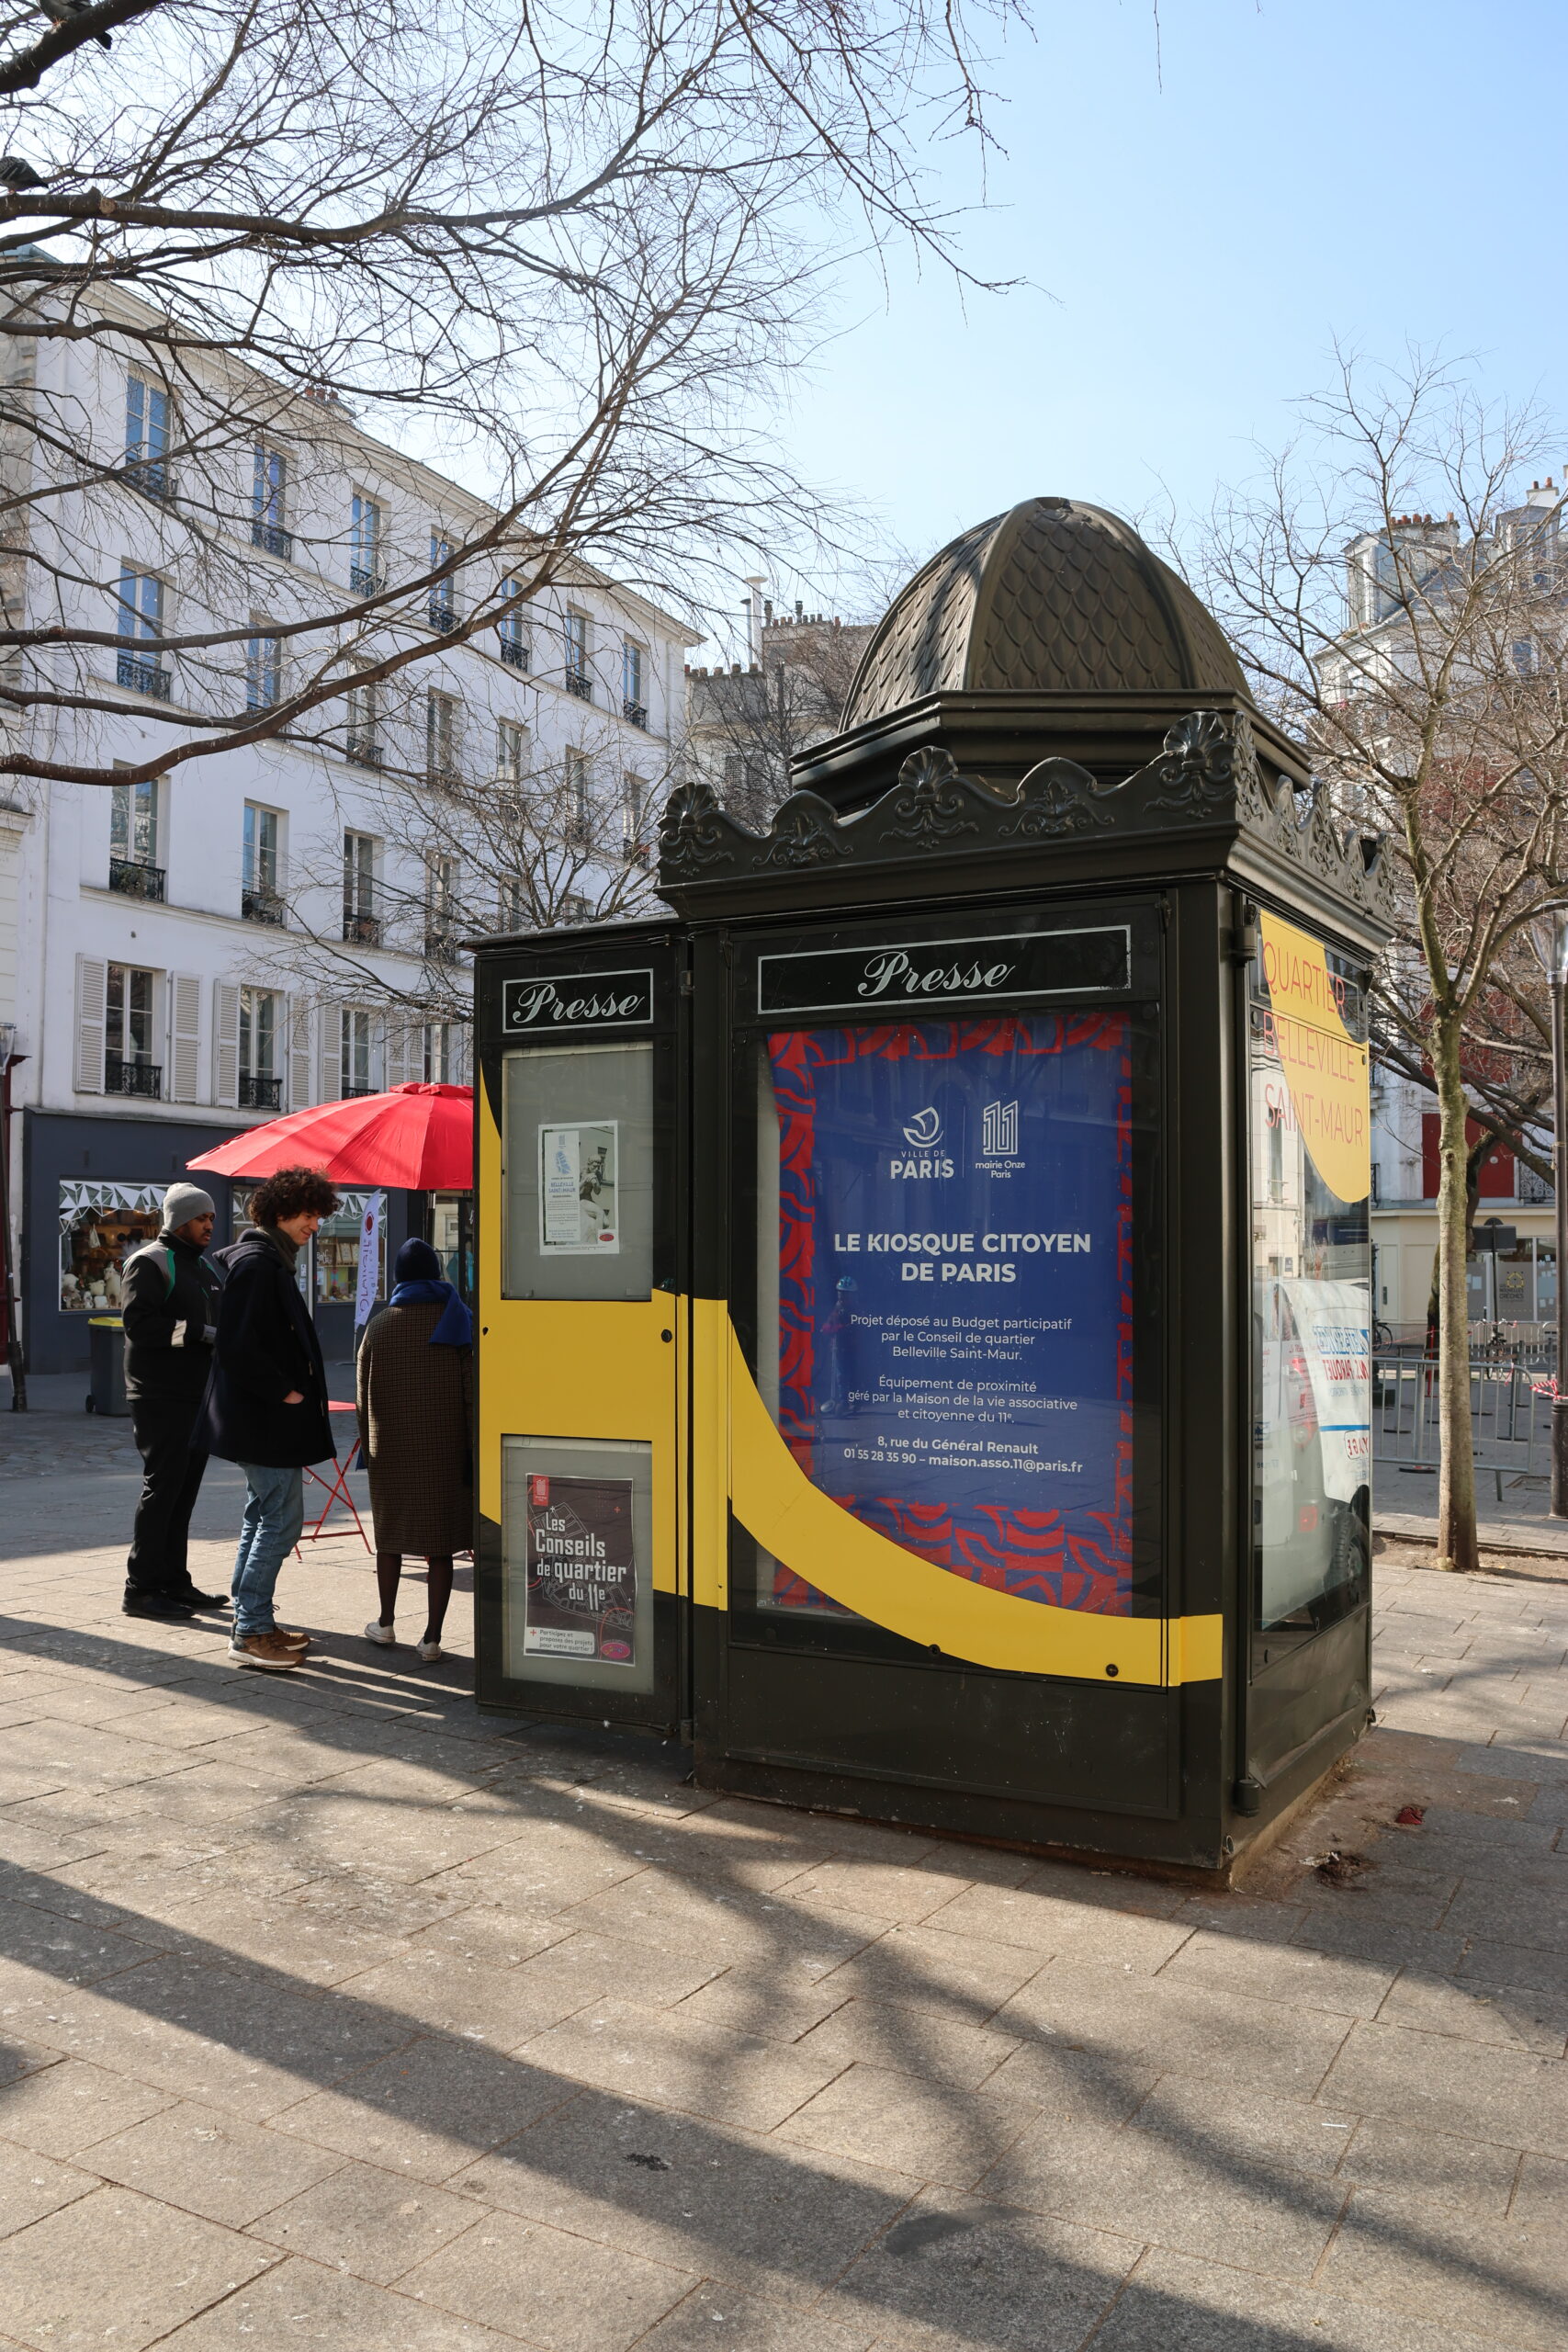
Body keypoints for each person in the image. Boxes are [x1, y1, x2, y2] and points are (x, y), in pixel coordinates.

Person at [201, 1165, 339, 1671]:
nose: (315, 1225)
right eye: (309, 1215)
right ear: (282, 1212)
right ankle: (251, 1631)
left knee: (264, 1516)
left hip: (261, 1420)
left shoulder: (268, 1260)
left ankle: (252, 1619)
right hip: (264, 1422)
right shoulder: (259, 1265)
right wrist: (285, 1393)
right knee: (280, 1522)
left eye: (318, 1216)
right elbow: (238, 1345)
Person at [357, 1236, 473, 1661]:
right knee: (439, 1546)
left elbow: (361, 1397)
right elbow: (471, 1395)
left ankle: (385, 1623)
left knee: (390, 1540)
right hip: (446, 1450)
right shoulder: (458, 1321)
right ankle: (432, 1638)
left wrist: (369, 1452)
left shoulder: (380, 1325)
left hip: (391, 1452)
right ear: (436, 1274)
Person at [120, 1182, 227, 1620]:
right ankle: (141, 1588)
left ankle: (173, 1581)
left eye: (212, 1219)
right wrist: (198, 1333)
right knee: (163, 1488)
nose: (209, 1225)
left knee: (183, 1493)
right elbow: (138, 1325)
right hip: (160, 1394)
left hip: (197, 1395)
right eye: (201, 1218)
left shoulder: (201, 1267)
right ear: (179, 1220)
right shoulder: (149, 1262)